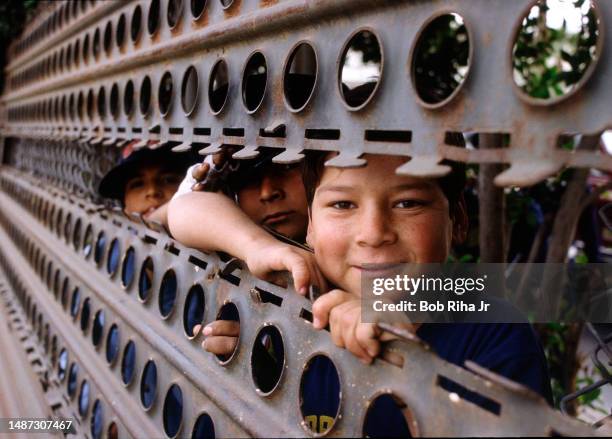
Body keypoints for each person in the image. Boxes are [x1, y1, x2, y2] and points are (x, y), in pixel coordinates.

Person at [298, 151, 552, 435]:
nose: (373, 233)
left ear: (457, 219)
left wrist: (410, 375)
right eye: (342, 204)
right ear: (310, 223)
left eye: (408, 203)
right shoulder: (293, 313)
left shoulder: (497, 332)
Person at [168, 147, 326, 356]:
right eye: (247, 179)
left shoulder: (366, 263)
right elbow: (180, 209)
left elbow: (381, 292)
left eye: (288, 166)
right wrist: (258, 247)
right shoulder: (240, 250)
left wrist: (367, 313)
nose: (268, 192)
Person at [98, 141, 196, 225]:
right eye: (138, 184)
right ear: (125, 206)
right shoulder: (108, 244)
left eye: (168, 180)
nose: (152, 191)